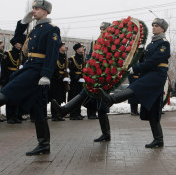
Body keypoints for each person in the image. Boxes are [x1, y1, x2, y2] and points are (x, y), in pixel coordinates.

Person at [0, 0, 61, 155]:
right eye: (33, 8)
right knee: (38, 107)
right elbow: (16, 41)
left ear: (46, 11)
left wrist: (46, 74)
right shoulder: (35, 29)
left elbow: (52, 53)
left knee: (10, 88)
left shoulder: (51, 29)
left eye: (37, 8)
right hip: (30, 66)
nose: (33, 11)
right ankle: (44, 144)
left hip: (37, 69)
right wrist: (22, 23)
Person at [98, 18, 170, 148]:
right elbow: (145, 59)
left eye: (156, 26)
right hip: (150, 74)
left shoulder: (164, 43)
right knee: (152, 110)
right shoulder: (151, 44)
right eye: (152, 25)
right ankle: (158, 139)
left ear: (163, 29)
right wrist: (140, 52)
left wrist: (136, 68)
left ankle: (112, 99)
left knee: (136, 87)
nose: (153, 27)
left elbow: (154, 61)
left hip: (157, 75)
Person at [2, 33, 24, 124]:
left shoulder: (21, 54)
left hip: (18, 77)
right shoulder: (8, 54)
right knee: (10, 98)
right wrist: (4, 79)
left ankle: (15, 115)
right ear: (15, 44)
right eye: (19, 42)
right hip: (10, 77)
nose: (21, 44)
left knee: (17, 97)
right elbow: (4, 67)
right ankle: (9, 117)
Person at [50, 42, 68, 121]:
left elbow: (65, 68)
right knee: (55, 97)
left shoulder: (64, 57)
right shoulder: (55, 56)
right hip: (55, 80)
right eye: (63, 46)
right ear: (59, 47)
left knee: (60, 97)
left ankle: (58, 114)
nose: (65, 47)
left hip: (62, 79)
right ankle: (54, 115)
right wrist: (58, 76)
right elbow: (53, 67)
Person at [68, 43, 85, 120]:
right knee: (74, 97)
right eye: (81, 47)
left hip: (81, 81)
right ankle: (73, 114)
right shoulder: (72, 59)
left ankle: (78, 113)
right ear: (77, 49)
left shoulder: (82, 58)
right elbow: (70, 71)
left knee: (80, 98)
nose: (83, 48)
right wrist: (77, 78)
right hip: (74, 82)